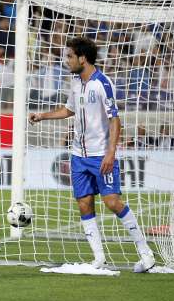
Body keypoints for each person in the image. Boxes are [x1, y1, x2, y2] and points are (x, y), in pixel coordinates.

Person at [29, 36, 155, 272]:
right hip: (78, 155)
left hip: (100, 155)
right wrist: (42, 116)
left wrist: (110, 153)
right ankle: (99, 258)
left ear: (82, 58)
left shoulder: (102, 83)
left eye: (69, 56)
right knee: (84, 204)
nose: (66, 60)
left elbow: (114, 120)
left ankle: (146, 253)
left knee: (113, 202)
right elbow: (69, 109)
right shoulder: (75, 82)